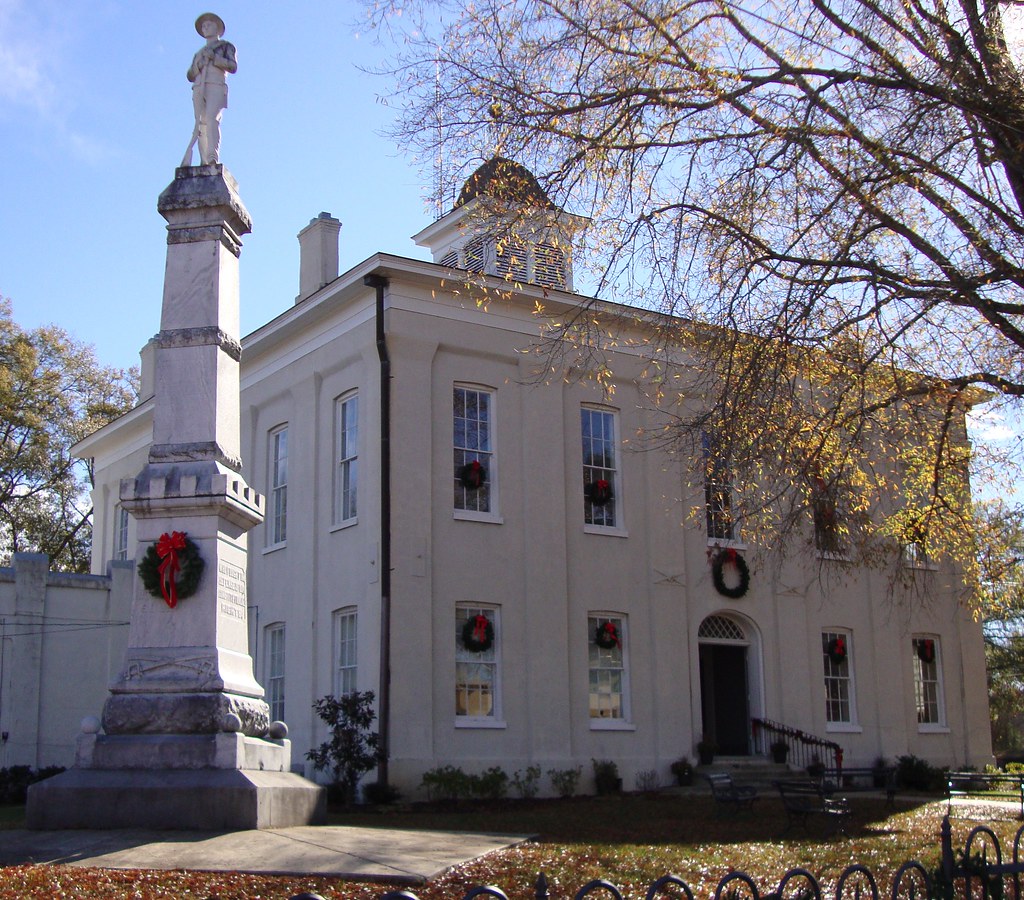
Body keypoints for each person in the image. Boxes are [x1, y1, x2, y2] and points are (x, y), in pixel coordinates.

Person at [183, 13, 237, 166]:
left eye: (209, 25)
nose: (206, 28)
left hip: (216, 85)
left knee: (212, 120)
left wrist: (214, 58)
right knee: (200, 124)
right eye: (204, 26)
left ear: (217, 28)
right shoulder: (198, 54)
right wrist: (198, 65)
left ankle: (213, 156)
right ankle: (204, 159)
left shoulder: (226, 46)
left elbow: (232, 66)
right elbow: (190, 75)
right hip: (199, 87)